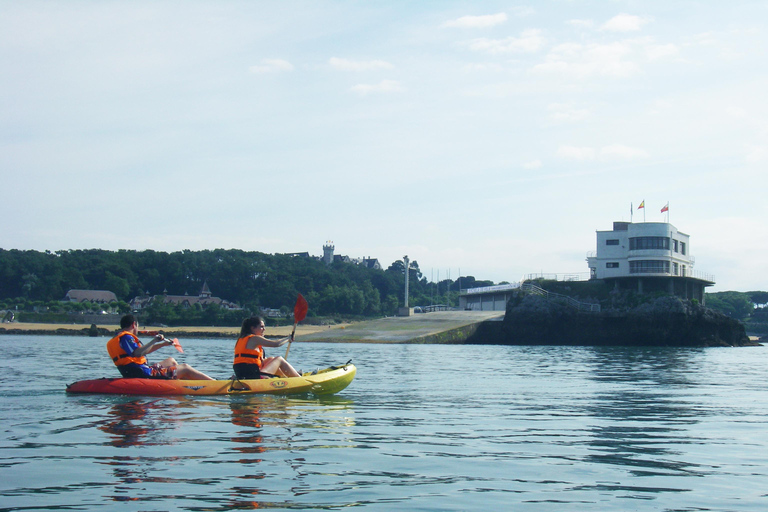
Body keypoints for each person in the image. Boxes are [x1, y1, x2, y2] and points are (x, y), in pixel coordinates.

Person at [107, 314, 214, 380]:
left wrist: (162, 344)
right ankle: (214, 383)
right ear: (134, 324)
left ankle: (184, 384)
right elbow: (137, 353)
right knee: (185, 367)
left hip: (137, 370)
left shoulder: (119, 338)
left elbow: (143, 352)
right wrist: (154, 340)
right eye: (137, 326)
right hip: (142, 373)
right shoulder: (126, 337)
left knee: (171, 361)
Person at [233, 316, 301, 379]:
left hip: (241, 374)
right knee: (279, 359)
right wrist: (288, 338)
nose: (264, 329)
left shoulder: (241, 339)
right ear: (252, 328)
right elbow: (276, 344)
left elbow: (258, 360)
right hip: (254, 375)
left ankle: (284, 377)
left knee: (271, 359)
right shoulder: (255, 338)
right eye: (261, 327)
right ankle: (299, 378)